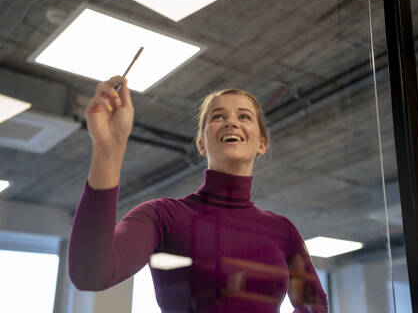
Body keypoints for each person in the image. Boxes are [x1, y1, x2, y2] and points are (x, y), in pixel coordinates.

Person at [68, 75, 328, 312]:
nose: (231, 123)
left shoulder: (282, 230)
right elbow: (90, 275)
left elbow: (315, 304)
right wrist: (107, 150)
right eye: (217, 116)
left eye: (244, 116)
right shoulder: (162, 216)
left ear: (262, 143)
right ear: (202, 144)